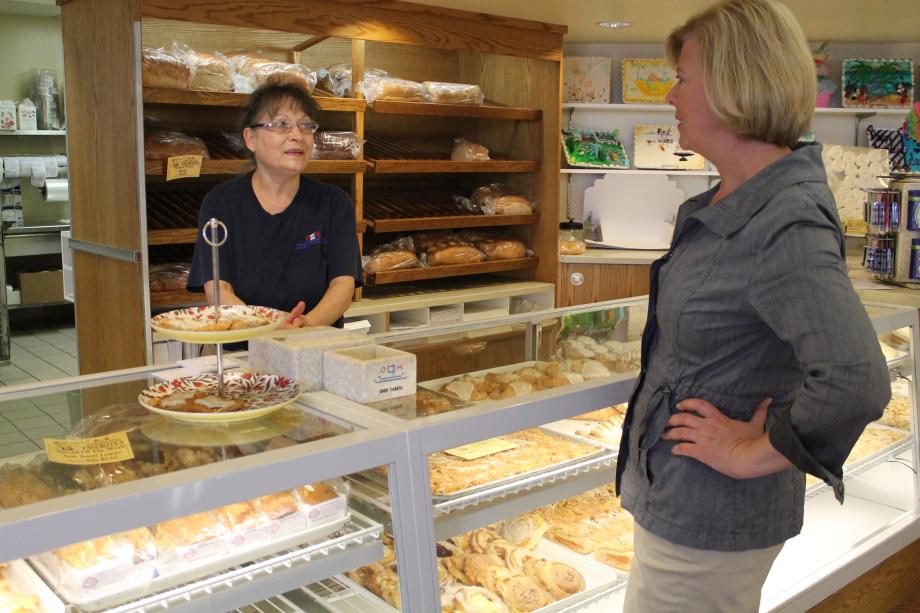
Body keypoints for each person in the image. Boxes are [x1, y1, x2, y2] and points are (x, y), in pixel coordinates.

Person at [615, 1, 891, 611]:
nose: (670, 95)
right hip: (682, 503)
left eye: (683, 79)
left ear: (733, 87)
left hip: (708, 520)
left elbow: (855, 380)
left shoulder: (783, 218)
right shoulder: (733, 199)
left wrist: (749, 452)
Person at [187, 81, 362, 330]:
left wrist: (305, 324)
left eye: (306, 125)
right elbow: (217, 288)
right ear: (251, 138)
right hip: (244, 348)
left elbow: (343, 285)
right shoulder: (221, 202)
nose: (297, 135)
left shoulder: (333, 203)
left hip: (313, 345)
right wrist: (265, 326)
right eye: (281, 124)